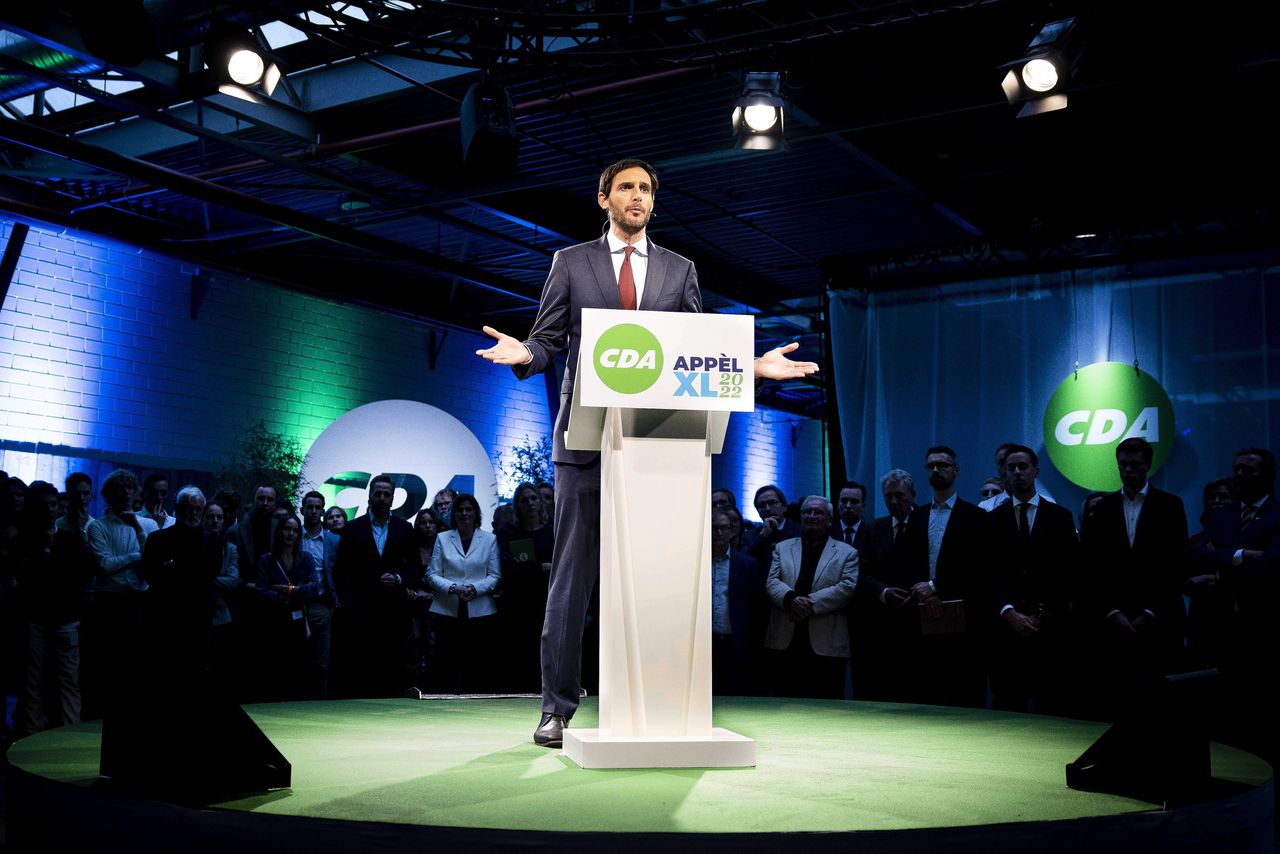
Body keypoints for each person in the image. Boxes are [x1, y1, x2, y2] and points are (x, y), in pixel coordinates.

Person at [475, 157, 819, 747]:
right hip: (585, 447)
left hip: (660, 449)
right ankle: (556, 706)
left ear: (653, 202)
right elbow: (548, 338)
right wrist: (525, 354)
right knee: (572, 581)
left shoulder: (679, 269)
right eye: (626, 188)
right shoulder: (571, 262)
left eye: (646, 190)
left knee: (663, 578)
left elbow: (696, 350)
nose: (637, 197)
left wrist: (750, 366)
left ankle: (662, 707)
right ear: (603, 199)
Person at [1079, 437, 1189, 719]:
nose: (1128, 470)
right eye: (1123, 464)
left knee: (1160, 704)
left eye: (1135, 464)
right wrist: (1113, 612)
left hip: (1159, 620)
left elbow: (1176, 564)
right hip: (1112, 622)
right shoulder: (1101, 509)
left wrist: (1151, 612)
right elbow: (1092, 568)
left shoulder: (1170, 505)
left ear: (1148, 466)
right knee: (1117, 702)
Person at [985, 445, 1079, 714]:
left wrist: (1042, 612)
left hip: (1048, 629)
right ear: (1004, 472)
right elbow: (987, 574)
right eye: (1010, 467)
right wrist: (1008, 611)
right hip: (1005, 629)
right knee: (1007, 705)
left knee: (1050, 705)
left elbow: (1069, 572)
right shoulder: (992, 521)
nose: (1016, 472)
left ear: (1035, 471)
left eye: (1022, 466)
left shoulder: (1060, 517)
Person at [901, 446, 990, 708]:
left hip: (963, 618)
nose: (936, 469)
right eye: (931, 466)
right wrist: (921, 590)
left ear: (956, 470)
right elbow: (906, 561)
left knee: (964, 691)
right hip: (921, 616)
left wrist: (935, 587)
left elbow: (978, 566)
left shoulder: (976, 516)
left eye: (942, 464)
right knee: (926, 691)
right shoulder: (916, 516)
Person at [11, 481, 93, 737]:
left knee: (66, 682)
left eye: (53, 505)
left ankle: (68, 737)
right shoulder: (22, 542)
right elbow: (21, 580)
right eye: (44, 506)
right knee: (32, 682)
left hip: (62, 619)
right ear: (33, 509)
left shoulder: (69, 541)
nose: (50, 511)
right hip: (36, 618)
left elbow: (81, 577)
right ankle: (33, 738)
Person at [332, 474, 421, 698]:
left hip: (394, 610)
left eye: (386, 494)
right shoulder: (353, 528)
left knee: (393, 664)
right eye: (377, 494)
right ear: (370, 496)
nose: (382, 498)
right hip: (361, 610)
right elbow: (342, 570)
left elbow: (415, 566)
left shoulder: (404, 528)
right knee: (362, 665)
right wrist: (351, 604)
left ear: (393, 499)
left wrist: (399, 578)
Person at [764, 496, 858, 699]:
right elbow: (771, 581)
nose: (812, 516)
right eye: (807, 511)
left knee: (826, 706)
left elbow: (846, 588)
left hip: (826, 644)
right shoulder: (782, 547)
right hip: (785, 641)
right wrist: (791, 599)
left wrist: (805, 604)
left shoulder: (847, 552)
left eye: (818, 512)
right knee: (783, 705)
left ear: (830, 519)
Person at [426, 494, 501, 694]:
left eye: (469, 509)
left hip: (480, 611)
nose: (464, 513)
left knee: (477, 663)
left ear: (476, 513)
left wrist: (474, 589)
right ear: (453, 513)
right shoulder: (442, 538)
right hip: (447, 609)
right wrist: (454, 588)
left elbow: (494, 576)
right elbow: (432, 574)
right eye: (460, 509)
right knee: (446, 661)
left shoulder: (489, 539)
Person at [497, 484, 553, 693]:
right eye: (524, 500)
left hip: (545, 602)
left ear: (540, 502)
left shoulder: (552, 531)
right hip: (516, 603)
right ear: (517, 505)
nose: (530, 503)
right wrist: (539, 568)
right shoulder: (508, 533)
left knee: (543, 650)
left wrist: (526, 569)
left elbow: (559, 566)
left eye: (533, 498)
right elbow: (509, 569)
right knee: (517, 651)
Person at [257, 515, 321, 700]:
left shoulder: (306, 558)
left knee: (298, 667)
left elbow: (314, 589)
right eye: (287, 529)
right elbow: (261, 592)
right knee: (275, 667)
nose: (290, 533)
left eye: (294, 530)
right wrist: (292, 595)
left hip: (298, 621)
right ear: (279, 531)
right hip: (273, 622)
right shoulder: (266, 560)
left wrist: (290, 590)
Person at [710, 507, 767, 695]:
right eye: (713, 527)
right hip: (703, 644)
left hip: (733, 645)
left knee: (733, 697)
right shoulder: (695, 562)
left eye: (723, 528)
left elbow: (756, 609)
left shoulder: (746, 564)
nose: (718, 532)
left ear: (732, 531)